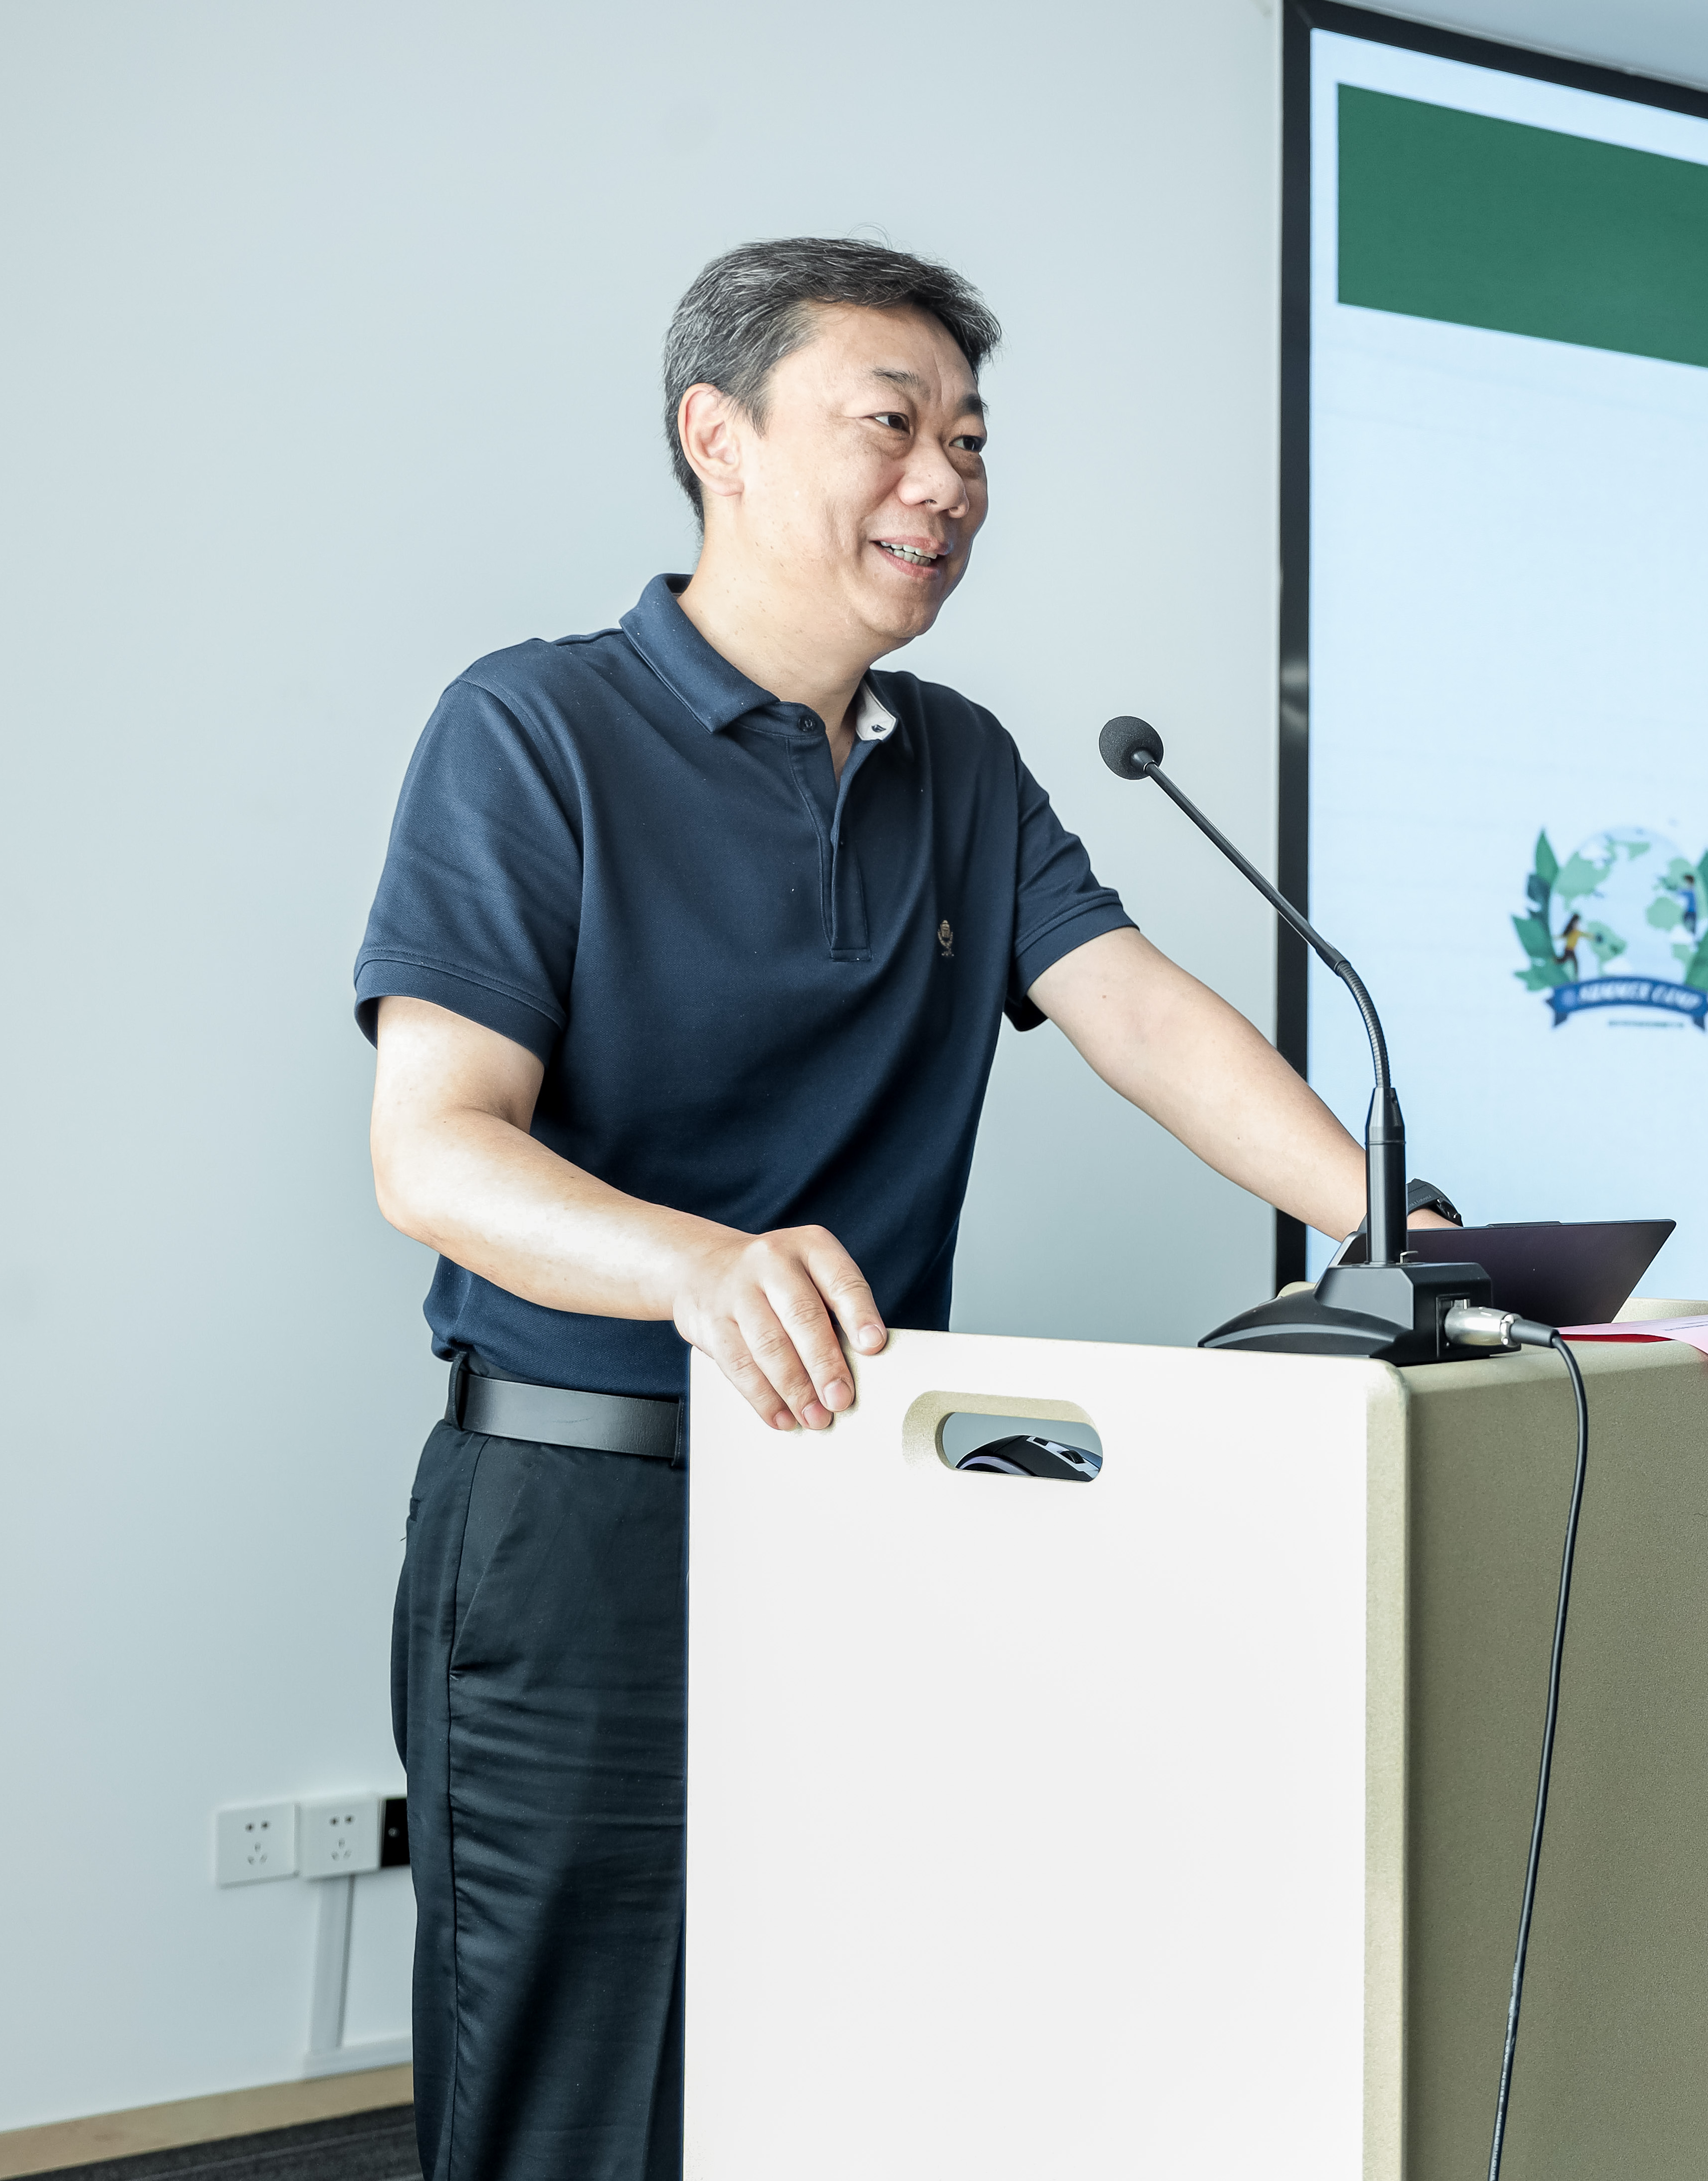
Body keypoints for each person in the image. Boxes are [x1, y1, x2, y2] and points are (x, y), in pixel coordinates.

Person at [356, 237, 1449, 2181]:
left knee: (849, 2064)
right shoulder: (531, 729)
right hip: (586, 1519)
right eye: (893, 424)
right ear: (719, 438)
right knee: (575, 2107)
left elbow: (1143, 1018)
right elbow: (434, 1149)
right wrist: (702, 1269)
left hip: (867, 1501)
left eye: (972, 440)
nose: (946, 480)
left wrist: (1401, 1231)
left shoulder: (962, 764)